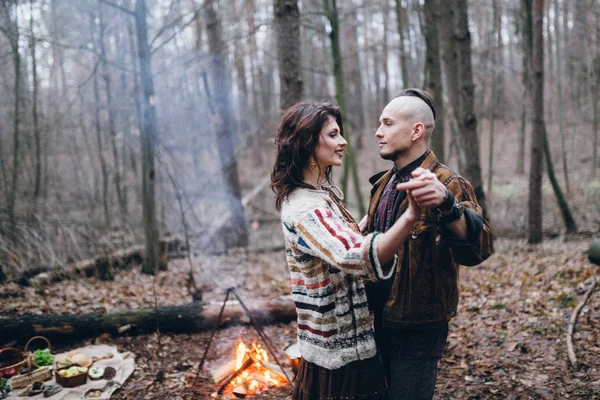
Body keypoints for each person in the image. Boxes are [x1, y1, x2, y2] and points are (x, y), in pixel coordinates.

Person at [271, 101, 420, 400]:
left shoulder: (320, 195)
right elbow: (352, 255)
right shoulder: (305, 208)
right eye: (333, 134)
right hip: (337, 359)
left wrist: (372, 219)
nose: (343, 142)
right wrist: (410, 216)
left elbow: (338, 242)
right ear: (308, 142)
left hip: (350, 346)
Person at [362, 89, 494, 400]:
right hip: (378, 321)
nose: (378, 132)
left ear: (416, 130)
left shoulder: (447, 182)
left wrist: (449, 206)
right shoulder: (383, 184)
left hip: (419, 329)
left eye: (388, 123)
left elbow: (480, 247)